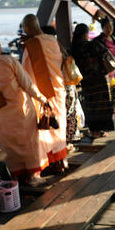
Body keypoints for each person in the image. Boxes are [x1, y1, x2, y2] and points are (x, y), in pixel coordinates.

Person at [0, 35, 50, 186]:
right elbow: (27, 85)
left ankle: (14, 176)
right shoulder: (8, 61)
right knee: (29, 141)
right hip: (20, 109)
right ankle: (33, 177)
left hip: (0, 112)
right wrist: (43, 99)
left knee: (6, 142)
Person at [21, 14, 68, 174]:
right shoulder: (51, 39)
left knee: (45, 128)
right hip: (58, 88)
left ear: (27, 28)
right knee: (59, 125)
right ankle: (62, 160)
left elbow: (25, 73)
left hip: (43, 93)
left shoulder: (31, 45)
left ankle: (49, 162)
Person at [81, 16, 115, 138]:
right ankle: (113, 123)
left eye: (111, 27)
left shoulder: (114, 39)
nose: (109, 29)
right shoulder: (99, 41)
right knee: (111, 98)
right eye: (107, 27)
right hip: (106, 72)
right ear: (102, 28)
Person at [41, 25, 82, 145]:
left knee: (61, 114)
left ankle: (61, 143)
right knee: (70, 114)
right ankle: (69, 141)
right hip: (70, 86)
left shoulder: (46, 50)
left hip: (58, 88)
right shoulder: (60, 47)